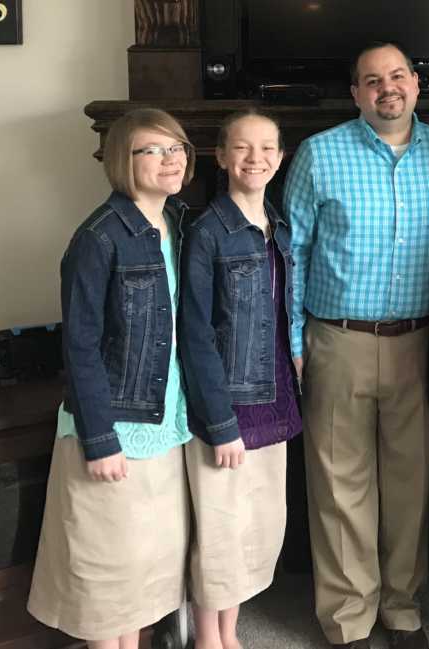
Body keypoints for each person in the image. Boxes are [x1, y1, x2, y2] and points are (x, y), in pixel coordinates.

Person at [282, 41, 429, 649]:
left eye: (396, 76)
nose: (385, 88)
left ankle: (401, 606)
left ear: (417, 84)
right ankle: (348, 619)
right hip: (335, 340)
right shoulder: (318, 155)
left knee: (411, 481)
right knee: (339, 486)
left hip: (420, 342)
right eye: (371, 80)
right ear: (356, 93)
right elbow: (292, 254)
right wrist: (293, 339)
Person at [27, 108, 195, 648]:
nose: (170, 160)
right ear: (124, 161)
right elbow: (78, 344)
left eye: (177, 149)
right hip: (114, 429)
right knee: (108, 579)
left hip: (163, 422)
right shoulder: (98, 237)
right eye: (153, 150)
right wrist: (99, 439)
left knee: (142, 571)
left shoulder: (175, 223)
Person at [179, 109, 302, 649]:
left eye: (268, 147)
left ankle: (230, 631)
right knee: (221, 526)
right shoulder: (207, 232)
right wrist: (219, 419)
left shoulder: (278, 223)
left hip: (274, 395)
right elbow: (195, 334)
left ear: (280, 156)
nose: (256, 158)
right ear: (222, 157)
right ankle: (209, 636)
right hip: (228, 403)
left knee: (257, 522)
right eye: (243, 148)